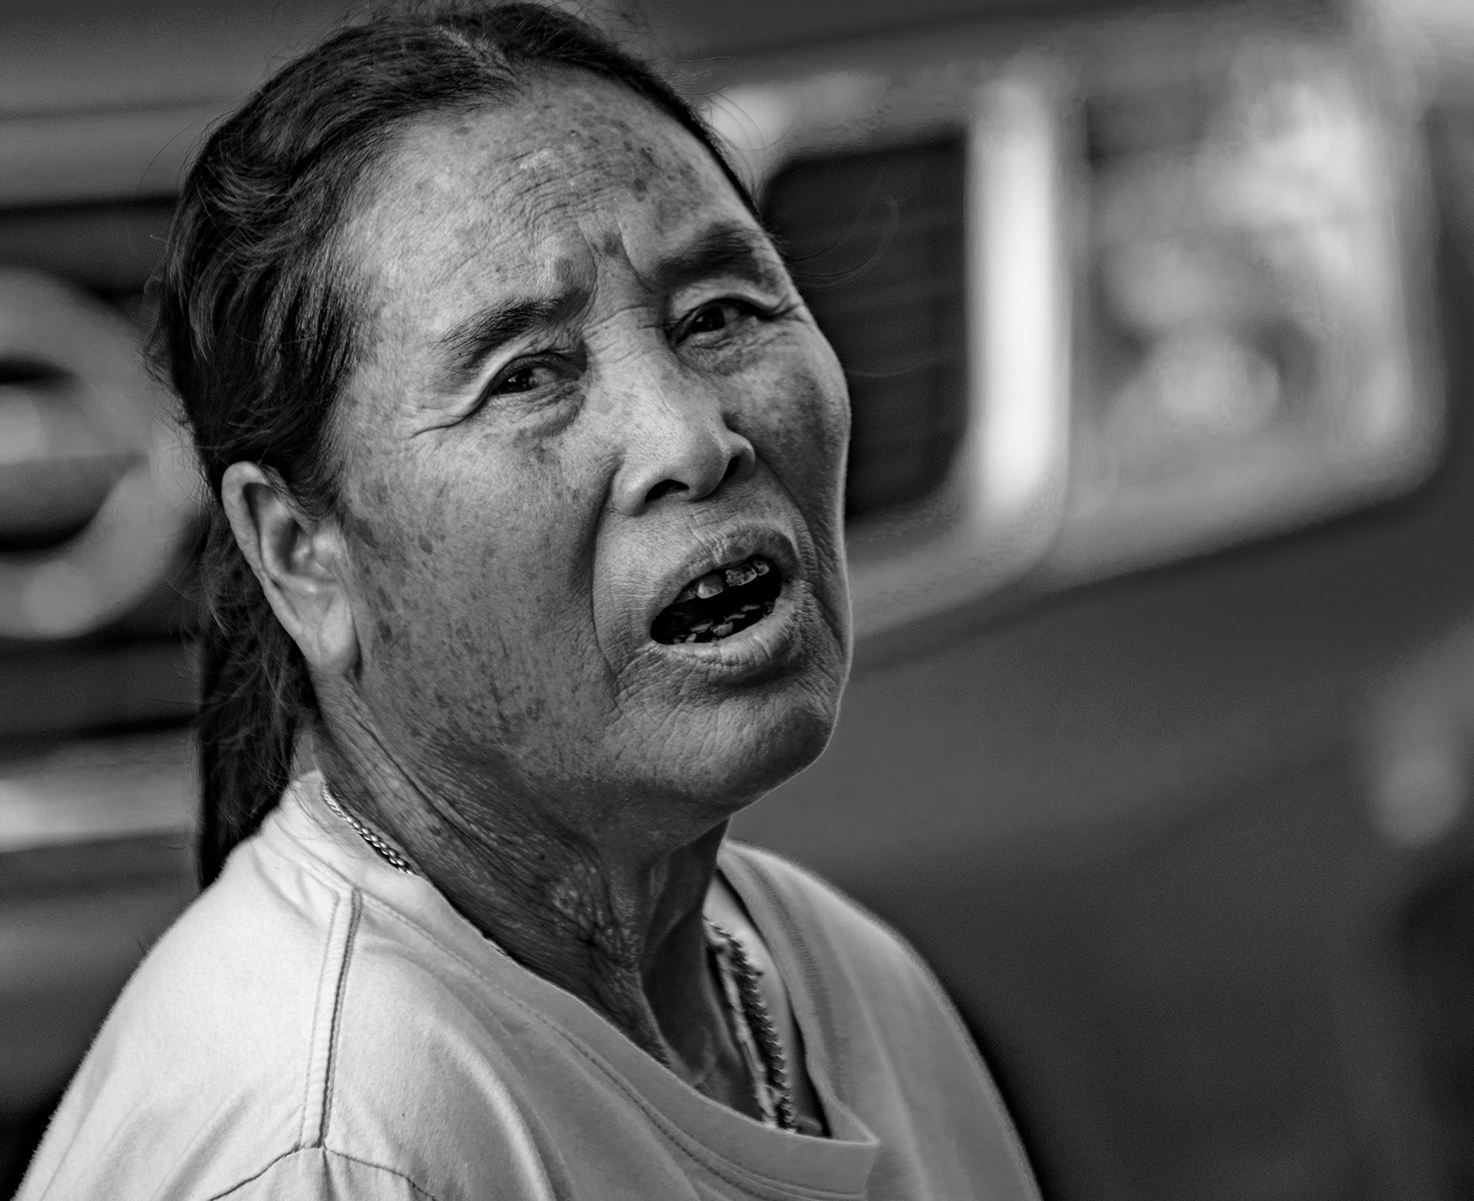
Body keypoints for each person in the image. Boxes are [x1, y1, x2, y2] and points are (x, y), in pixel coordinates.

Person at [15, 5, 1040, 1198]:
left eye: (720, 314)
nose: (692, 438)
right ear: (302, 555)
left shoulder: (846, 986)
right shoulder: (339, 1146)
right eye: (528, 376)